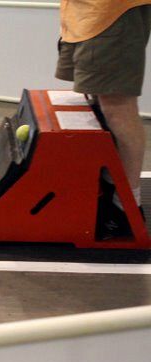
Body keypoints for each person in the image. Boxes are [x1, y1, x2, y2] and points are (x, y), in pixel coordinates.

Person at [55, 1, 151, 238]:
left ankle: (126, 207)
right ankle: (111, 184)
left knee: (117, 105)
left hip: (112, 12)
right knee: (98, 96)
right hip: (85, 13)